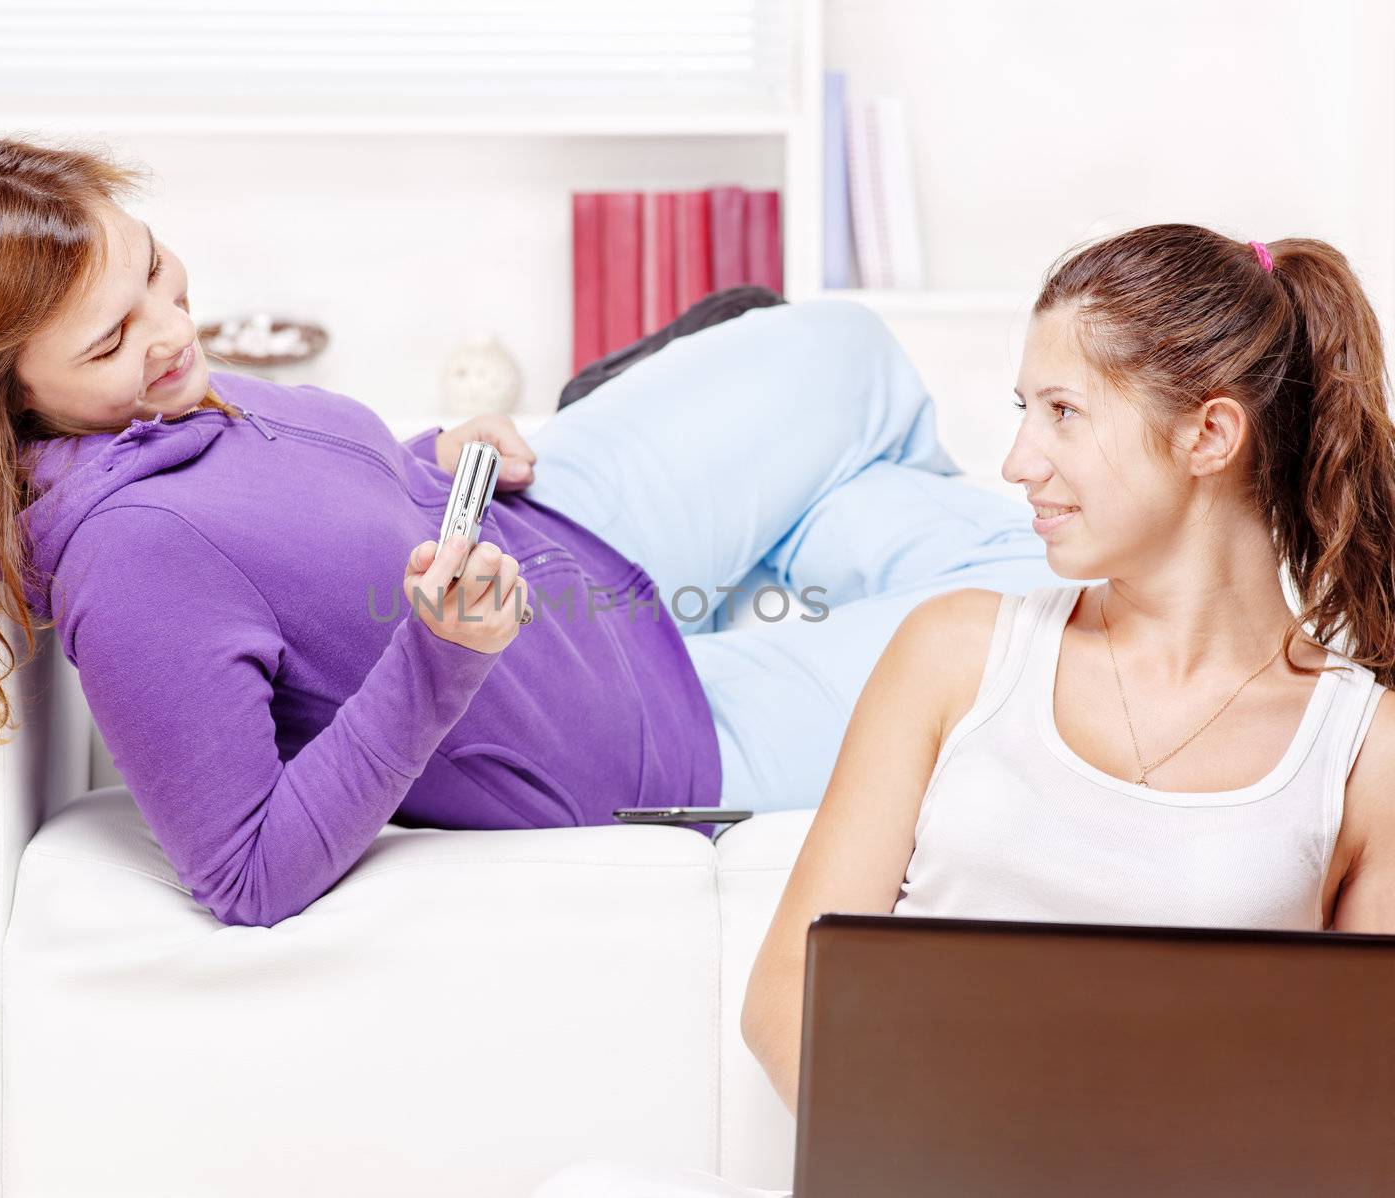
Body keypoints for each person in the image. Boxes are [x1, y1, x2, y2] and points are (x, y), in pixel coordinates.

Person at [0, 134, 1056, 929]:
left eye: (149, 268)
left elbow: (304, 526)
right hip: (662, 730)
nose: (171, 328)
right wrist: (437, 658)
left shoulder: (158, 404)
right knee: (1032, 603)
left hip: (565, 524)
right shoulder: (136, 564)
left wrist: (433, 460)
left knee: (844, 354)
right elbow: (245, 874)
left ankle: (803, 539)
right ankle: (810, 555)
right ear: (2, 401)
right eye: (109, 337)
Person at [534, 228, 1395, 1197]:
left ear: (1208, 435)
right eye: (1025, 411)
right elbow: (785, 999)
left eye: (1064, 413)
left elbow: (1363, 1105)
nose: (1020, 460)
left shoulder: (1362, 751)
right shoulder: (953, 654)